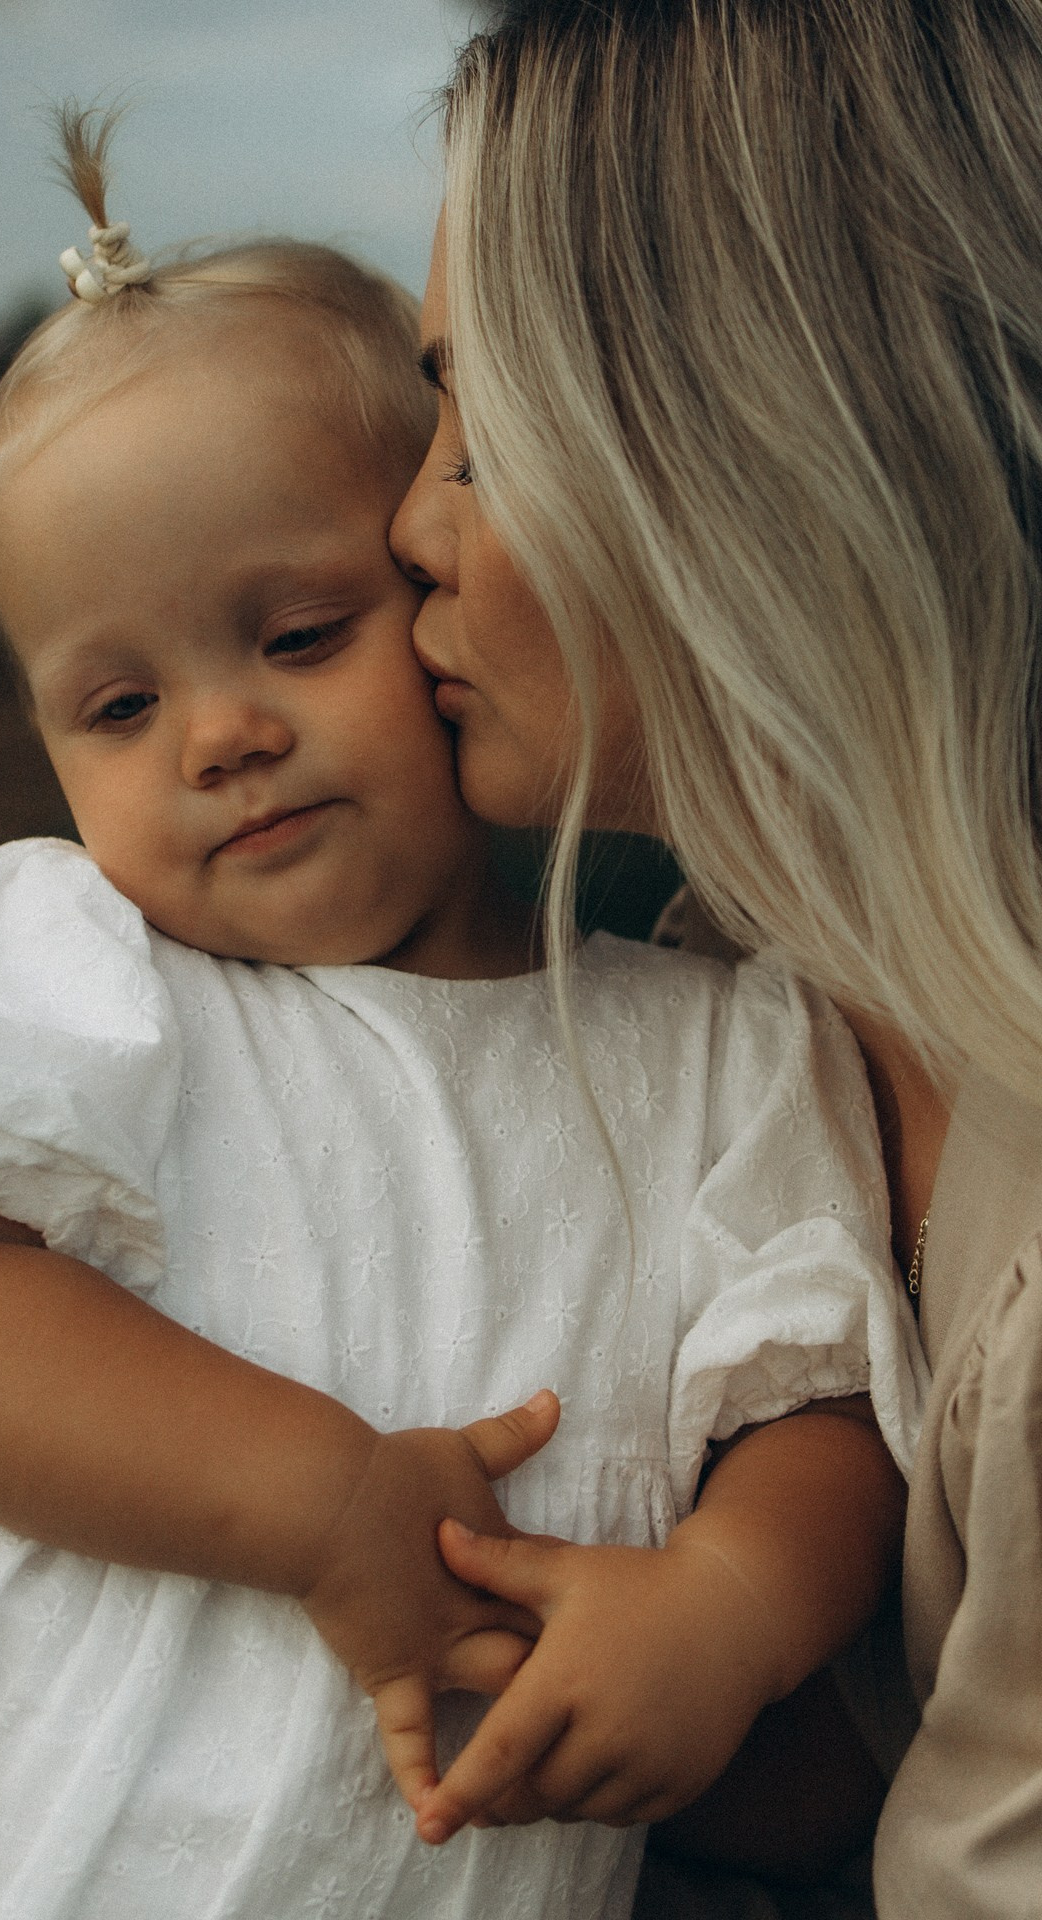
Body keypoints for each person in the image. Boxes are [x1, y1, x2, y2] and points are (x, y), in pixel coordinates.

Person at [0, 111, 921, 1920]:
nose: (221, 734)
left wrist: (731, 1604)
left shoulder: (719, 1045)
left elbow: (818, 1397)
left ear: (437, 592)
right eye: (119, 708)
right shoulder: (81, 968)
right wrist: (320, 1504)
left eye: (299, 635)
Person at [386, 3, 1042, 1914]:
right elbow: (849, 1766)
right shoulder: (740, 967)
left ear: (751, 463)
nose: (407, 525)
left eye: (482, 438)